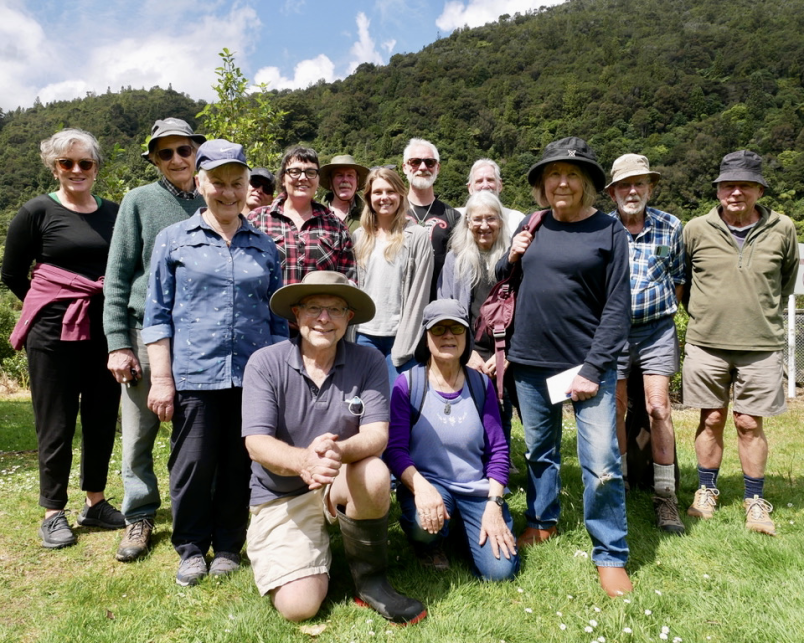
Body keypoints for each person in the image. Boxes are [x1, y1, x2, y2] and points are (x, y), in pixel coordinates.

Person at [241, 271, 427, 625]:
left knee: (374, 472)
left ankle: (371, 580)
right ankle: (310, 556)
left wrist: (336, 454)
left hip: (338, 478)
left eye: (335, 309)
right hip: (282, 494)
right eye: (314, 307)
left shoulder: (368, 361)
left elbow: (376, 435)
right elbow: (257, 444)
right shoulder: (265, 363)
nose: (324, 318)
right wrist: (303, 461)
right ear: (296, 314)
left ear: (348, 318)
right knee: (299, 608)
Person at [142, 140, 288, 586]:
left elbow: (278, 321)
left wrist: (281, 381)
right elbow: (157, 314)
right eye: (218, 183)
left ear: (248, 186)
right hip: (194, 376)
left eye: (237, 183)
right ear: (200, 182)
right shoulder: (173, 240)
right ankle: (190, 546)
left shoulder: (266, 247)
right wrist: (162, 379)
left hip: (253, 377)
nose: (228, 192)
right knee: (191, 465)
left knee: (238, 464)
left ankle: (227, 545)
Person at [496, 136, 632, 596]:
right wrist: (510, 255)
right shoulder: (534, 224)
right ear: (541, 184)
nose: (562, 181)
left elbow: (617, 307)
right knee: (540, 451)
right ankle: (542, 519)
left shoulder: (608, 230)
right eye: (553, 173)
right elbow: (505, 282)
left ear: (588, 183)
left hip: (586, 365)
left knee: (600, 461)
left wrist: (593, 369)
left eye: (573, 174)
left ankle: (611, 554)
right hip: (530, 360)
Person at [2, 128, 123, 548]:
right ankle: (54, 511)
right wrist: (53, 303)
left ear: (96, 168)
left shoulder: (115, 212)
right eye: (66, 163)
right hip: (52, 334)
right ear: (54, 168)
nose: (76, 170)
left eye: (85, 163)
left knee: (102, 416)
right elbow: (13, 274)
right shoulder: (36, 211)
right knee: (55, 421)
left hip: (104, 330)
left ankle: (95, 502)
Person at [103, 117, 206, 562]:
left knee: (197, 431)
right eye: (165, 153)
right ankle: (139, 515)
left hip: (200, 337)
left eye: (183, 149)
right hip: (145, 332)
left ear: (196, 151)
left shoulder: (213, 196)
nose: (177, 159)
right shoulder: (138, 201)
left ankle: (196, 509)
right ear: (154, 159)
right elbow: (118, 274)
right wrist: (117, 342)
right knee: (140, 432)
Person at [682, 150, 799, 536]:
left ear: (759, 189)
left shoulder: (783, 229)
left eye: (745, 185)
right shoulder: (695, 229)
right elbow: (683, 281)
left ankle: (754, 501)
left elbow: (783, 282)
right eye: (729, 185)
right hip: (706, 342)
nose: (736, 192)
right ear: (717, 190)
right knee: (710, 418)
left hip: (761, 343)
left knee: (749, 423)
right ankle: (706, 490)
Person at [385, 299, 519, 580]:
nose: (448, 335)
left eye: (457, 329)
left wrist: (494, 505)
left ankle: (461, 527)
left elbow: (498, 451)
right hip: (430, 487)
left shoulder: (481, 385)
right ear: (426, 338)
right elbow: (395, 450)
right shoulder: (408, 384)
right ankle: (433, 542)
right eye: (439, 329)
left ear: (467, 337)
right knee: (423, 525)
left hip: (475, 489)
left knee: (500, 573)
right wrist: (420, 488)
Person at [605, 153, 686, 534]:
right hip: (614, 331)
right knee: (616, 407)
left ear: (650, 187)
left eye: (639, 183)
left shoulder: (671, 227)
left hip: (656, 329)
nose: (632, 191)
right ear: (612, 193)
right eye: (624, 185)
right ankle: (619, 484)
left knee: (658, 408)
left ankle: (665, 496)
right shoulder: (602, 229)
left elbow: (679, 279)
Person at [438, 191, 517, 448]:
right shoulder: (455, 259)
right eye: (477, 219)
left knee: (501, 408)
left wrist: (506, 354)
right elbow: (446, 306)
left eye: (491, 219)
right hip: (470, 348)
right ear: (468, 223)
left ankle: (500, 465)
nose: (484, 226)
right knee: (469, 410)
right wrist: (466, 351)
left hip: (505, 349)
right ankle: (473, 462)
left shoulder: (514, 259)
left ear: (501, 222)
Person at [353, 167, 433, 384]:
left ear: (401, 194)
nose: (384, 197)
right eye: (377, 192)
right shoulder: (359, 237)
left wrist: (409, 341)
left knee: (398, 406)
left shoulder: (417, 236)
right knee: (365, 403)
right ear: (369, 197)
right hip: (364, 334)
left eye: (390, 191)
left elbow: (420, 294)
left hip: (401, 338)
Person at [249, 145, 356, 286]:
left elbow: (348, 283)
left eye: (310, 172)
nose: (303, 177)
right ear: (282, 178)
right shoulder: (257, 220)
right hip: (269, 308)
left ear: (317, 180)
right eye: (295, 171)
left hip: (320, 308)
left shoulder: (336, 226)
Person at [402, 138, 460, 300]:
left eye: (429, 162)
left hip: (438, 307)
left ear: (437, 168)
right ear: (405, 167)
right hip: (399, 306)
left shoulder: (452, 216)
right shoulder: (393, 212)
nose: (422, 167)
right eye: (415, 162)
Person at [457, 159, 525, 232]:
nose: (485, 185)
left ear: (499, 185)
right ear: (470, 188)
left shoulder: (517, 219)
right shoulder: (456, 217)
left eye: (490, 180)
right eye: (479, 181)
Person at [320, 154, 369, 234]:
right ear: (330, 182)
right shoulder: (315, 215)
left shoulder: (369, 215)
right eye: (339, 175)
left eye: (350, 175)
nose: (345, 180)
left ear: (357, 182)